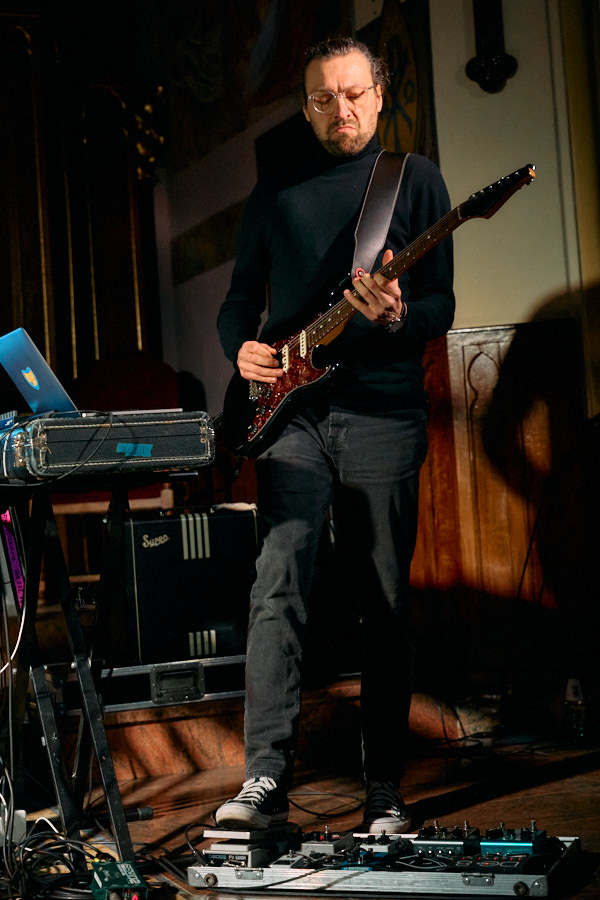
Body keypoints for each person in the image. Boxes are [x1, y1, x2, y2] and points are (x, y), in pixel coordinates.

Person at [215, 35, 454, 833]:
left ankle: (383, 788)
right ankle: (263, 778)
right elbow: (238, 301)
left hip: (383, 410)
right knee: (277, 585)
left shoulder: (414, 180)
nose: (340, 110)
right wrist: (241, 350)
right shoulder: (275, 192)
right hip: (291, 414)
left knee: (382, 598)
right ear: (307, 107)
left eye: (353, 94)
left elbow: (440, 306)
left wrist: (396, 317)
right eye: (323, 99)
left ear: (379, 95)